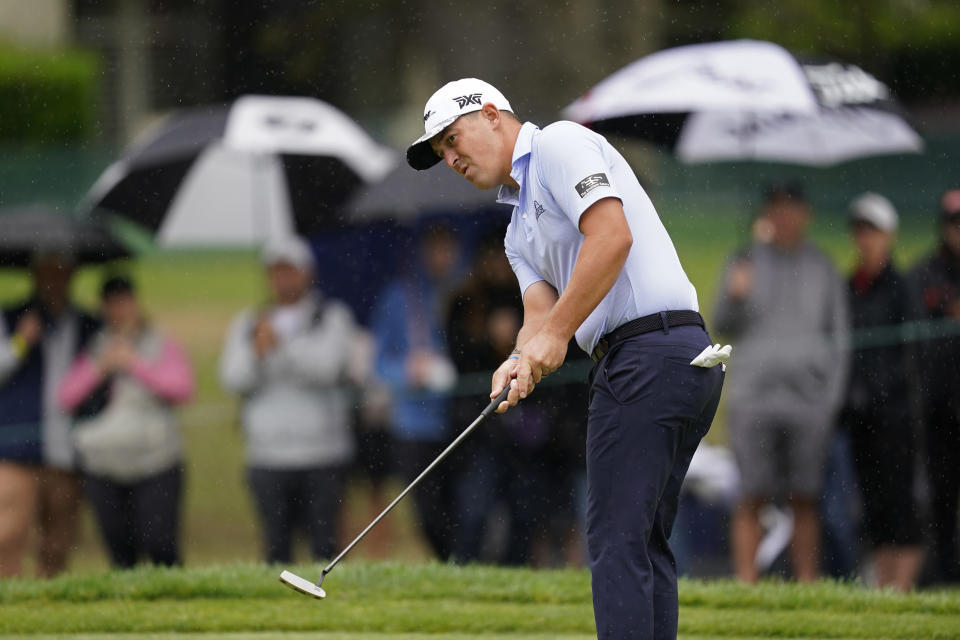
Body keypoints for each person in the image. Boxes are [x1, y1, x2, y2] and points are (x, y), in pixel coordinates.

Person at [406, 78, 725, 640]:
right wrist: (521, 361)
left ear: (491, 115)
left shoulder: (558, 144)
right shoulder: (514, 233)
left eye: (454, 139)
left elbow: (611, 237)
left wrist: (555, 336)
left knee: (614, 540)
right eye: (441, 153)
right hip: (663, 360)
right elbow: (539, 315)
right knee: (642, 541)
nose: (451, 158)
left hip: (650, 352)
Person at [713, 182, 850, 584]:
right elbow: (722, 323)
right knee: (750, 495)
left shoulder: (823, 267)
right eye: (776, 207)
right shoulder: (744, 261)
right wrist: (736, 293)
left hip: (809, 402)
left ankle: (806, 582)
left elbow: (841, 339)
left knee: (805, 498)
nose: (784, 216)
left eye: (791, 208)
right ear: (767, 214)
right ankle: (747, 582)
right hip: (753, 398)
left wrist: (831, 400)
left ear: (805, 214)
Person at [220, 235, 357, 564]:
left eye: (289, 270)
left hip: (322, 455)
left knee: (325, 548)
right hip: (267, 456)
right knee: (275, 548)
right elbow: (232, 378)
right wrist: (257, 352)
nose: (282, 278)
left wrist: (281, 346)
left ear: (306, 272)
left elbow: (326, 368)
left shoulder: (332, 317)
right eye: (275, 270)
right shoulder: (248, 323)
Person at [58, 275, 193, 568]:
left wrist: (134, 363)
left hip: (155, 461)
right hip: (103, 464)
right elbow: (67, 397)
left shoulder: (160, 343)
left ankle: (173, 606)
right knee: (120, 551)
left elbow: (181, 388)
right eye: (112, 303)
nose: (120, 309)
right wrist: (101, 367)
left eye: (125, 301)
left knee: (161, 544)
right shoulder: (96, 346)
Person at [842, 193, 924, 591]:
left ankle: (900, 586)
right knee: (872, 502)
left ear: (888, 235)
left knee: (900, 501)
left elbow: (913, 356)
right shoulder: (850, 287)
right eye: (859, 230)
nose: (864, 239)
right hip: (860, 416)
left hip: (897, 415)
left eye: (871, 230)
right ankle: (882, 587)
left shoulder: (901, 288)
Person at [0, 251, 98, 577]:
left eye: (61, 272)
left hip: (68, 449)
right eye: (47, 272)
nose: (54, 280)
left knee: (58, 541)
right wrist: (20, 343)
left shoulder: (88, 324)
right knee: (7, 535)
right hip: (16, 449)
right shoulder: (11, 317)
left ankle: (48, 606)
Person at [370, 223, 461, 561]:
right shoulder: (399, 298)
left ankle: (460, 566)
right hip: (413, 425)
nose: (442, 258)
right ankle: (448, 565)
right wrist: (408, 370)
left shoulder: (463, 292)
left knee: (463, 509)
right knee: (428, 513)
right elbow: (379, 363)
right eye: (435, 249)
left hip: (460, 419)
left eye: (448, 249)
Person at [911, 188, 960, 584]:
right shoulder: (924, 275)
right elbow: (917, 348)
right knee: (940, 502)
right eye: (954, 223)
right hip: (938, 410)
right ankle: (944, 576)